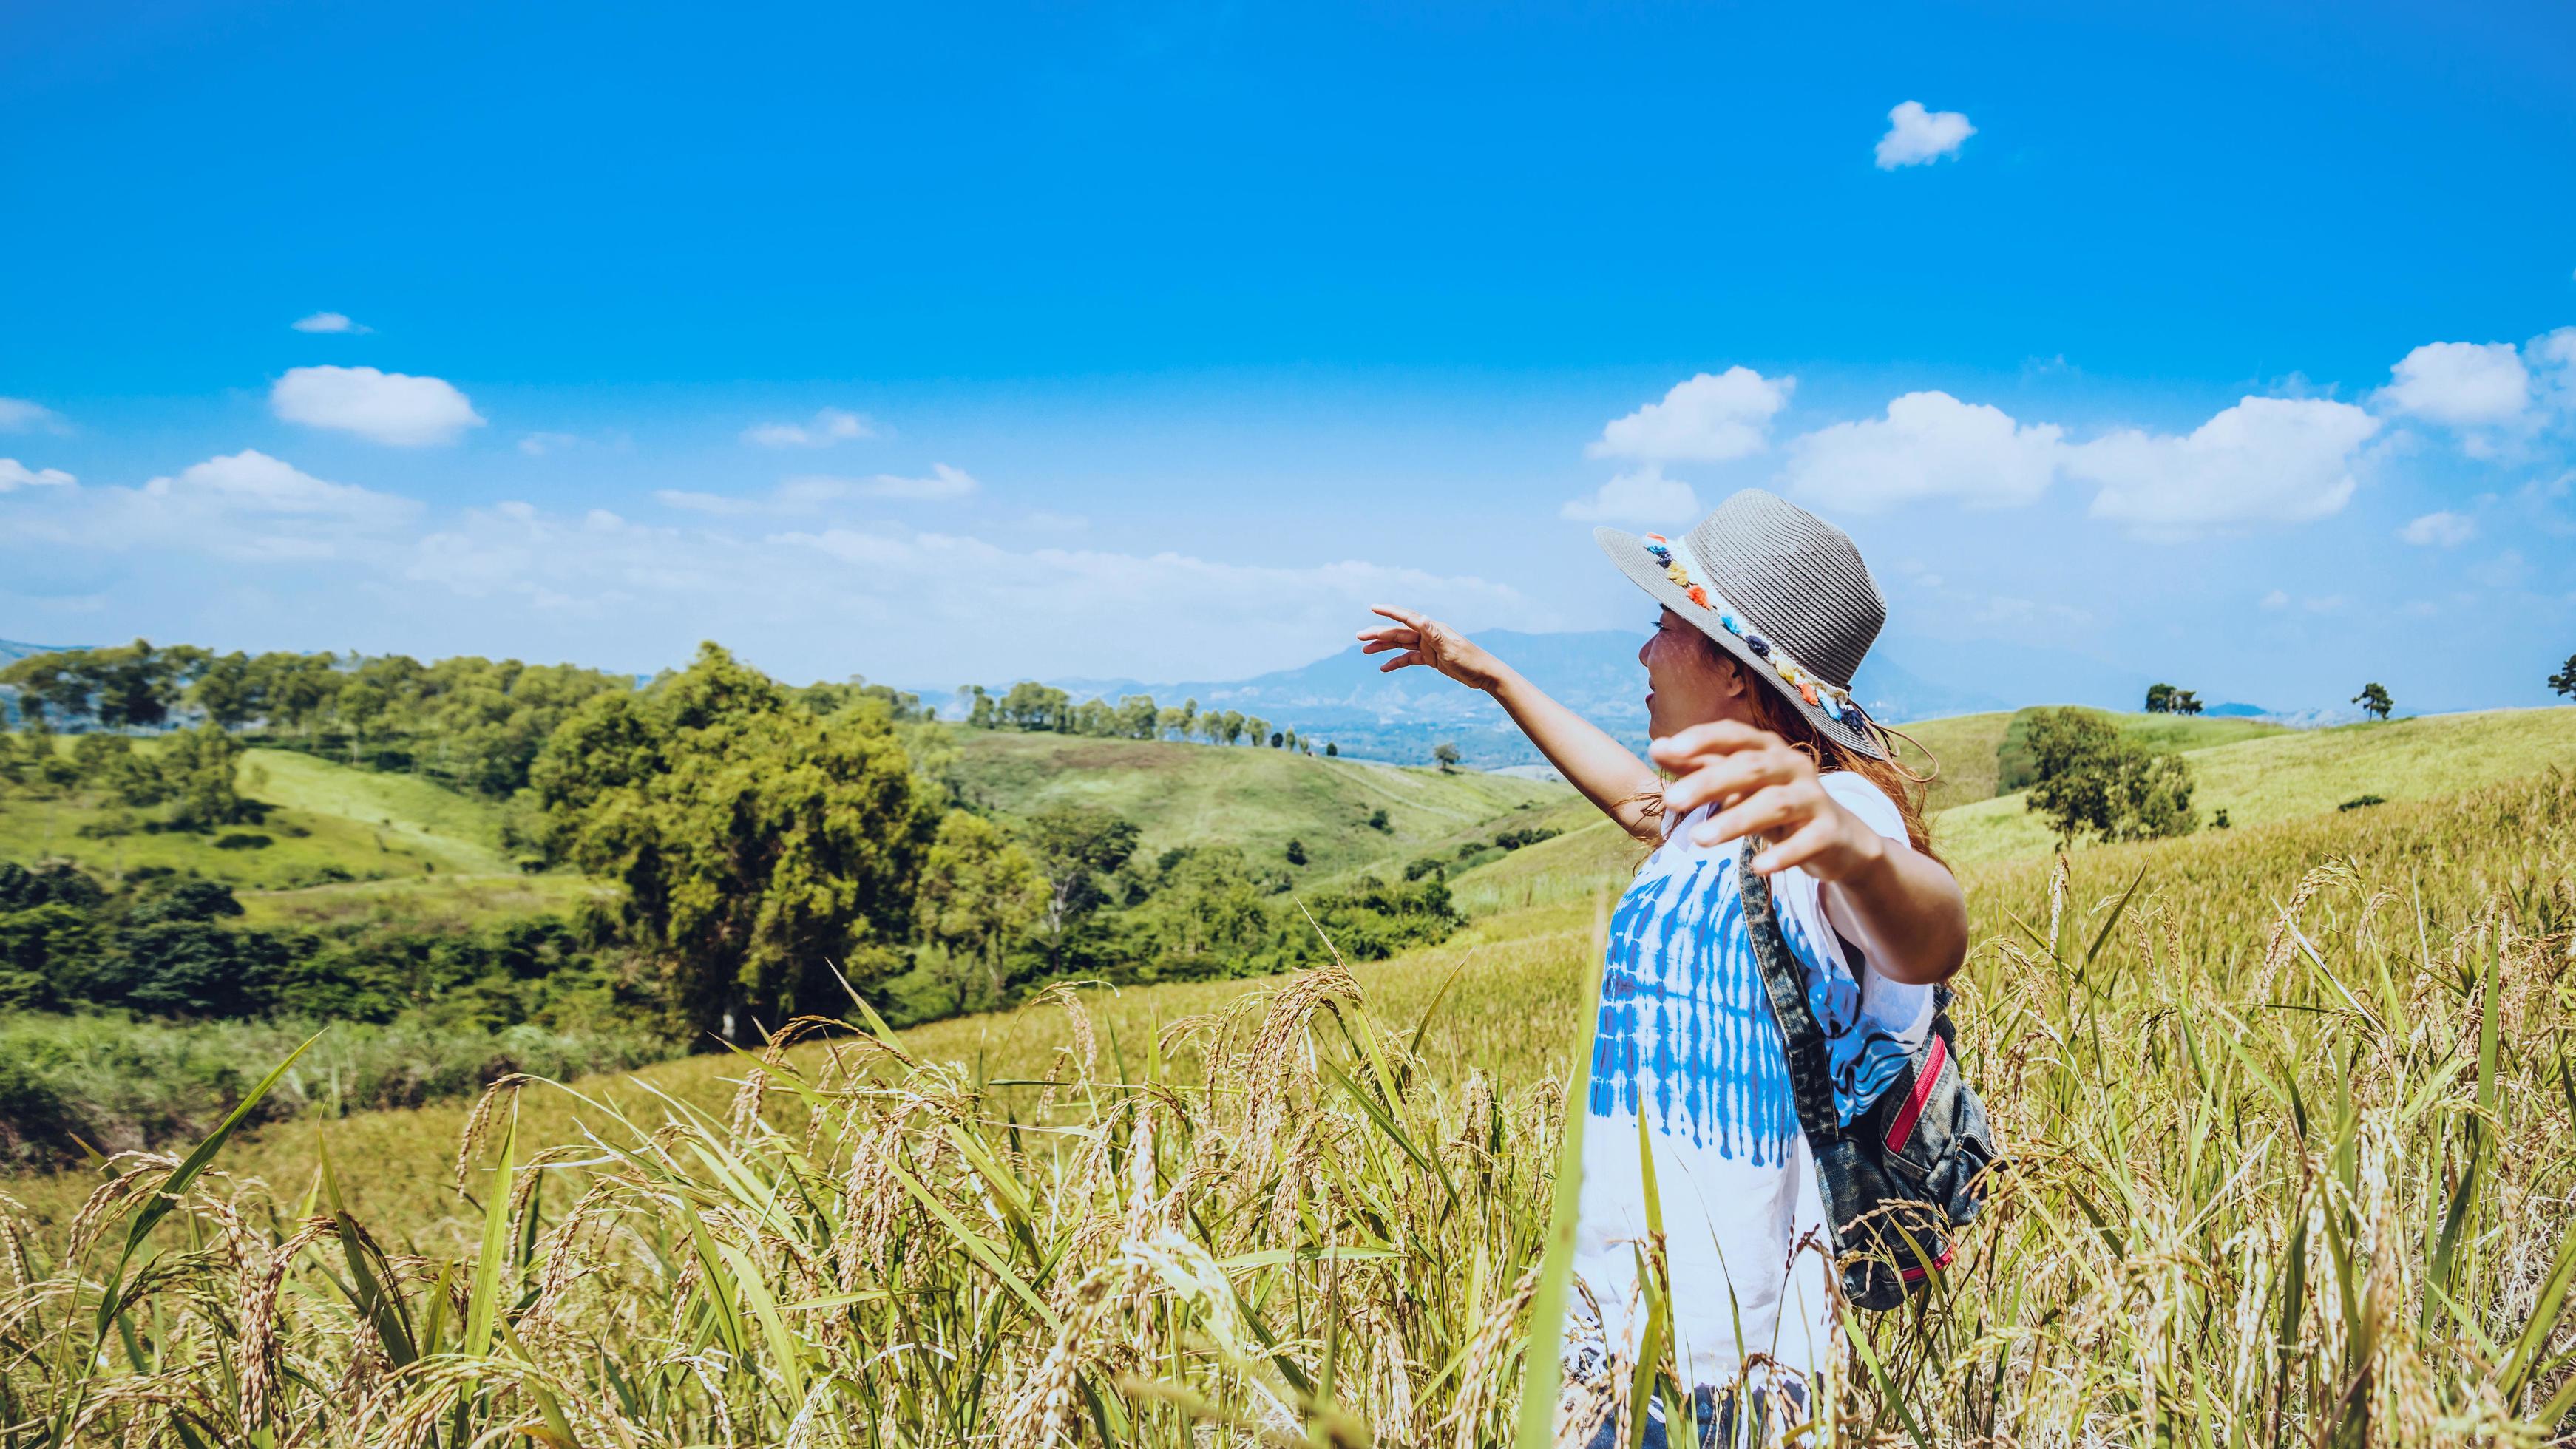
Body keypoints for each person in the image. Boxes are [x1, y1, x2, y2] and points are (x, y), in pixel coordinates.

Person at [1358, 489, 1967, 1445]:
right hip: (1621, 1324)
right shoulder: (1703, 817)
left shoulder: (1838, 817)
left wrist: (1853, 848)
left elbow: (1931, 938)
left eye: (1662, 626)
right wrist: (1493, 678)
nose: (1643, 653)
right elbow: (1641, 804)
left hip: (1742, 1354)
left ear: (1733, 671)